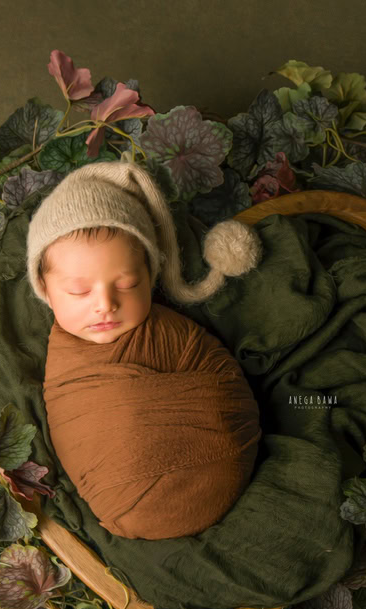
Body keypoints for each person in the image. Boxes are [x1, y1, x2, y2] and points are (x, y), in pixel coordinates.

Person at [25, 156, 265, 540]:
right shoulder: (65, 364)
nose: (105, 304)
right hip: (125, 502)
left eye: (127, 284)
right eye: (79, 291)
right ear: (46, 290)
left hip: (224, 467)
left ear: (150, 276)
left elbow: (227, 386)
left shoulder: (178, 336)